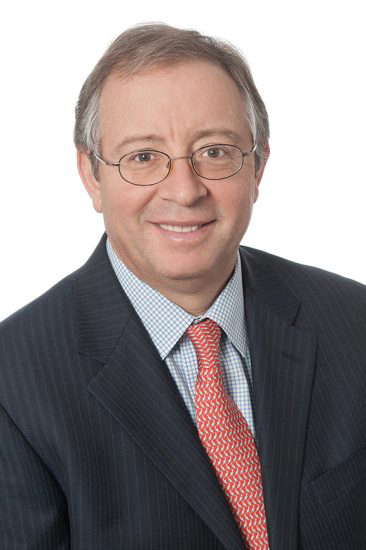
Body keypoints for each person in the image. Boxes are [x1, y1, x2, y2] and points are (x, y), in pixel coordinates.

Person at [0, 23, 365, 550]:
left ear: (258, 167)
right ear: (91, 176)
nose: (184, 189)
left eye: (215, 151)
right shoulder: (14, 385)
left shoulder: (354, 322)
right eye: (143, 157)